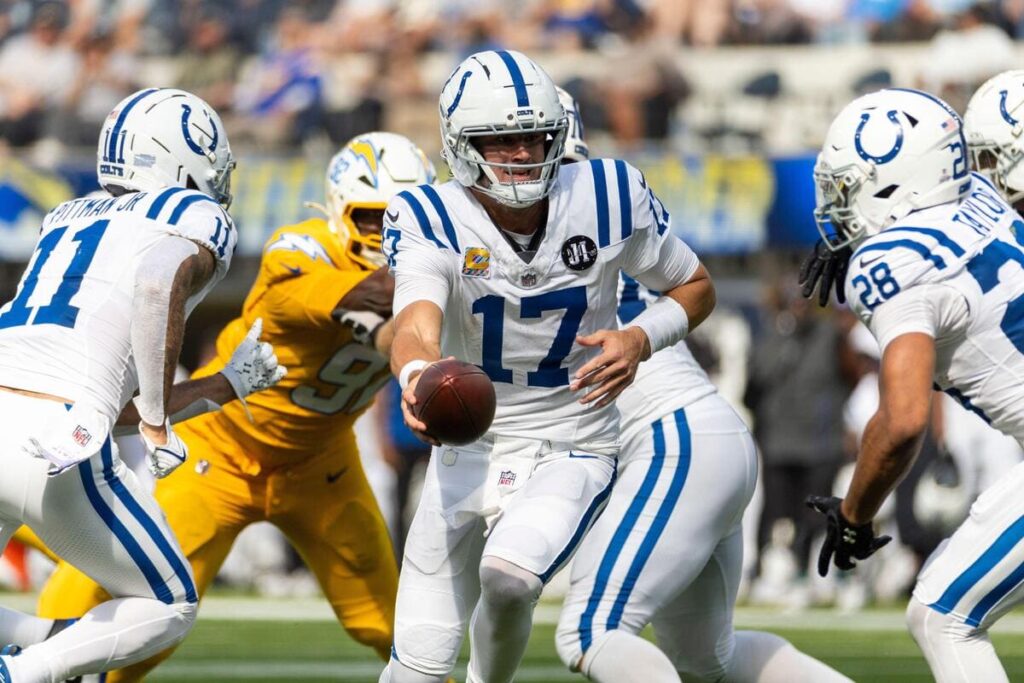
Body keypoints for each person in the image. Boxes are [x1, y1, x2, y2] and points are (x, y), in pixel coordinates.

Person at [31, 132, 437, 681]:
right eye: (374, 219)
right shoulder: (300, 249)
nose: (386, 236)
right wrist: (433, 287)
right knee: (136, 609)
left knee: (391, 626)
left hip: (322, 466)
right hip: (220, 451)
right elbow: (359, 299)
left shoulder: (433, 268)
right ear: (341, 211)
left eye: (401, 223)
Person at [380, 49, 715, 683]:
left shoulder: (608, 193)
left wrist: (641, 338)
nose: (520, 154)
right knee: (416, 665)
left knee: (507, 579)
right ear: (460, 144)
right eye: (499, 141)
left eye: (532, 137)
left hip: (574, 440)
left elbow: (695, 286)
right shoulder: (427, 215)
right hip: (469, 447)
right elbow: (415, 323)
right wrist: (417, 375)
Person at [553, 86, 851, 683]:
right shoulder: (598, 219)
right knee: (706, 661)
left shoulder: (539, 236)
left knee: (590, 631)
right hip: (703, 440)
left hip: (673, 441)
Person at [0, 87, 238, 681]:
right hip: (52, 430)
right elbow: (160, 282)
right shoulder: (192, 215)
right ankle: (28, 673)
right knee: (169, 603)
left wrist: (225, 384)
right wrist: (157, 420)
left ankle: (41, 650)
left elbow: (106, 392)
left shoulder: (64, 217)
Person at [804, 86, 1024, 683]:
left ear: (896, 184)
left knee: (941, 614)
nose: (836, 205)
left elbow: (902, 422)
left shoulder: (892, 264)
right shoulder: (981, 194)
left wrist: (855, 514)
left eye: (847, 188)